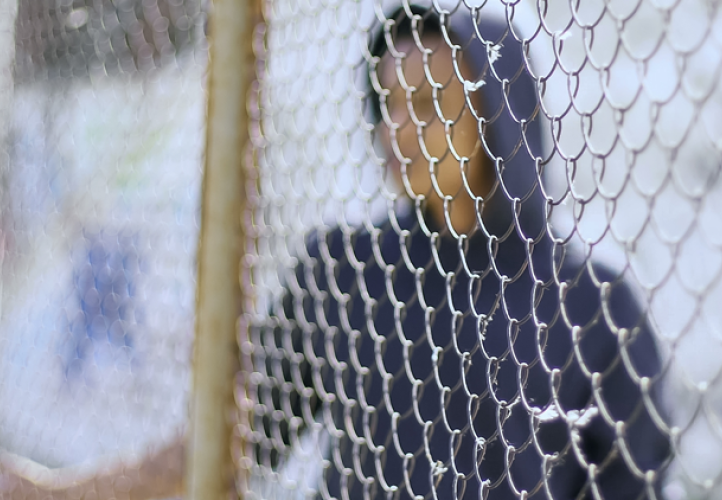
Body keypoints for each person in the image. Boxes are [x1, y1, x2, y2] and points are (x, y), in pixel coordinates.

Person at [251, 5, 671, 500]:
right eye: (388, 103)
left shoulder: (591, 309)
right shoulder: (346, 271)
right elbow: (243, 432)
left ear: (499, 111)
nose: (397, 129)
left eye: (428, 104)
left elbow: (633, 481)